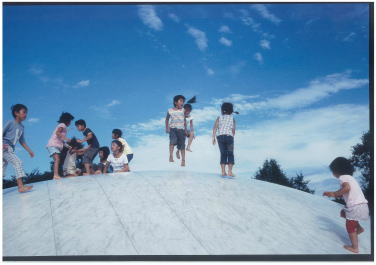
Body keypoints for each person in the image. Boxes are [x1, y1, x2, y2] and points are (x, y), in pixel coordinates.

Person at [323, 157, 369, 254]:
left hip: (356, 207)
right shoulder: (351, 178)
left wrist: (334, 194)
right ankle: (359, 228)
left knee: (349, 225)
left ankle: (355, 247)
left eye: (332, 171)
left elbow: (347, 188)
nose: (332, 173)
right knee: (344, 213)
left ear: (337, 170)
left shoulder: (343, 177)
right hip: (363, 206)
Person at [3, 104, 34, 192]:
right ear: (16, 113)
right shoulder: (10, 122)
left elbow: (22, 141)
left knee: (2, 170)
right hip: (5, 147)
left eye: (26, 113)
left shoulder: (22, 127)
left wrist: (29, 151)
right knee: (18, 162)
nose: (26, 114)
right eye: (24, 112)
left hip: (10, 149)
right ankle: (21, 187)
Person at [212, 102, 238, 177]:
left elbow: (215, 128)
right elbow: (233, 130)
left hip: (220, 137)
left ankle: (223, 172)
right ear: (231, 110)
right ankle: (230, 171)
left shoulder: (219, 117)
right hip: (229, 137)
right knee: (230, 154)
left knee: (223, 154)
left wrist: (213, 138)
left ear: (222, 110)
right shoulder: (232, 119)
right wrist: (232, 134)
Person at [46, 112, 74, 179]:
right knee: (57, 159)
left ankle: (57, 174)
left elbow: (61, 140)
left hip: (55, 146)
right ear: (67, 120)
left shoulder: (63, 127)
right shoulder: (62, 125)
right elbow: (57, 133)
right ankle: (55, 175)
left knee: (58, 160)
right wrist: (66, 138)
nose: (70, 123)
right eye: (70, 121)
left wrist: (67, 146)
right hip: (53, 145)